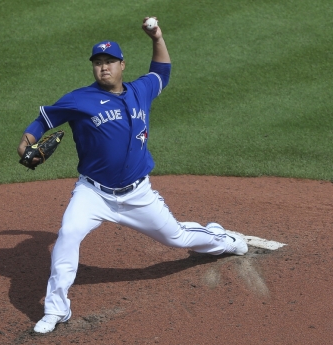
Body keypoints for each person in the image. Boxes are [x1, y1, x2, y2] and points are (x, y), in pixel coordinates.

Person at [16, 17, 248, 334]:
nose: (103, 68)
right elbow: (44, 119)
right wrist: (25, 144)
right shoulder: (79, 99)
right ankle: (57, 310)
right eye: (98, 63)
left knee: (176, 238)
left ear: (123, 64)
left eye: (109, 61)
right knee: (68, 234)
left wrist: (157, 37)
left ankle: (222, 239)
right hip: (93, 194)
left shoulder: (141, 90)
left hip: (138, 194)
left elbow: (161, 72)